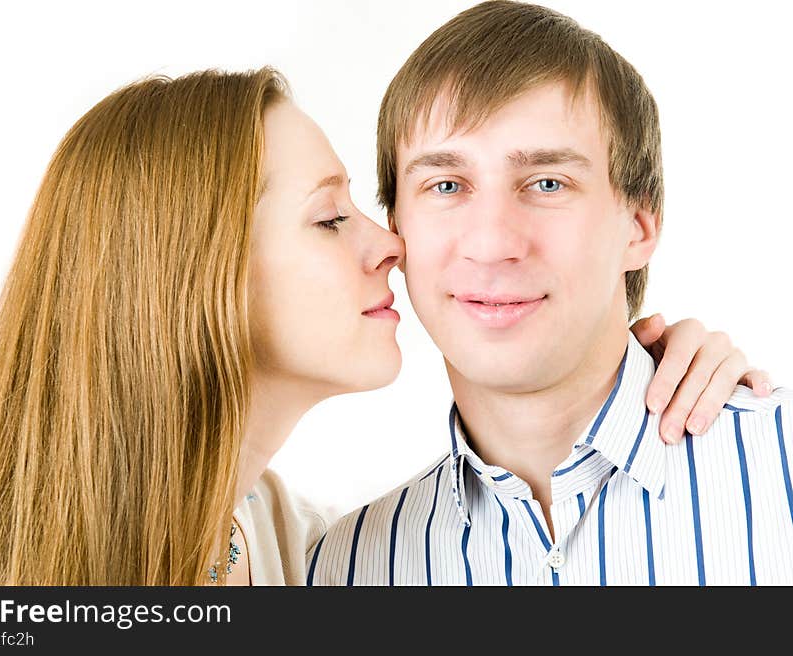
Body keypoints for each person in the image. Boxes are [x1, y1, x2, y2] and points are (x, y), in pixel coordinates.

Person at [0, 65, 769, 587]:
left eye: (546, 182)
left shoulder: (319, 559)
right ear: (192, 274)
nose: (390, 244)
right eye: (330, 219)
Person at [306, 0, 793, 585]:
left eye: (547, 182)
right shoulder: (345, 567)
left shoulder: (780, 466)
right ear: (396, 228)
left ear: (639, 227)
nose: (491, 243)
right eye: (446, 184)